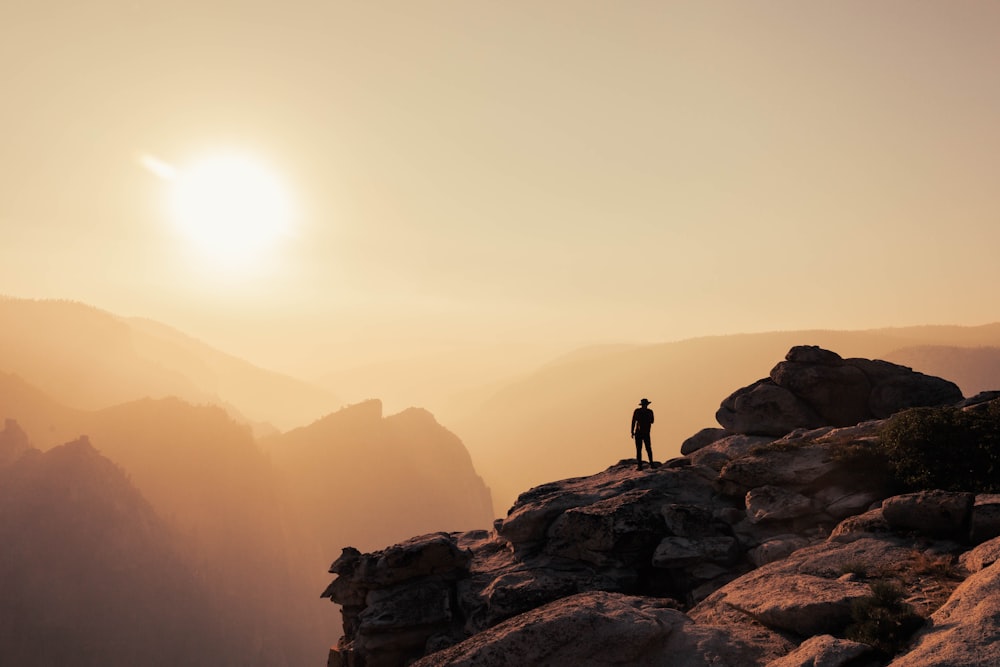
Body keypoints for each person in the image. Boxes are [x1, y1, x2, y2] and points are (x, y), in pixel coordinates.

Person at [631, 398, 654, 470]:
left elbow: (652, 421)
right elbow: (633, 421)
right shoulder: (646, 412)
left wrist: (632, 431)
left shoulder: (647, 412)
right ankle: (640, 465)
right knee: (640, 449)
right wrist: (632, 431)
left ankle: (650, 463)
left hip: (644, 432)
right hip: (640, 432)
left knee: (647, 448)